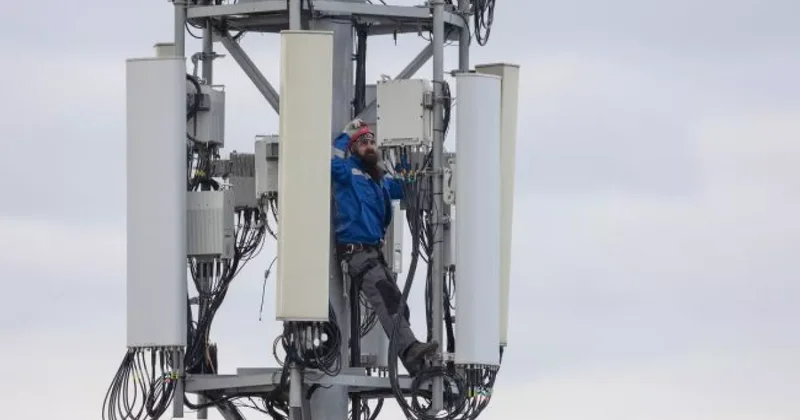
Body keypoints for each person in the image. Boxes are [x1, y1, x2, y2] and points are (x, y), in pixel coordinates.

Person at [331, 118, 439, 376]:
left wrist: (403, 154)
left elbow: (403, 187)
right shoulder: (347, 172)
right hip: (357, 252)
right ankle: (411, 351)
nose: (369, 146)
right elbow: (331, 163)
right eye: (363, 142)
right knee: (389, 301)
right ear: (353, 148)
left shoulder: (378, 180)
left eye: (371, 142)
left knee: (398, 303)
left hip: (373, 254)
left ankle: (414, 359)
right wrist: (346, 134)